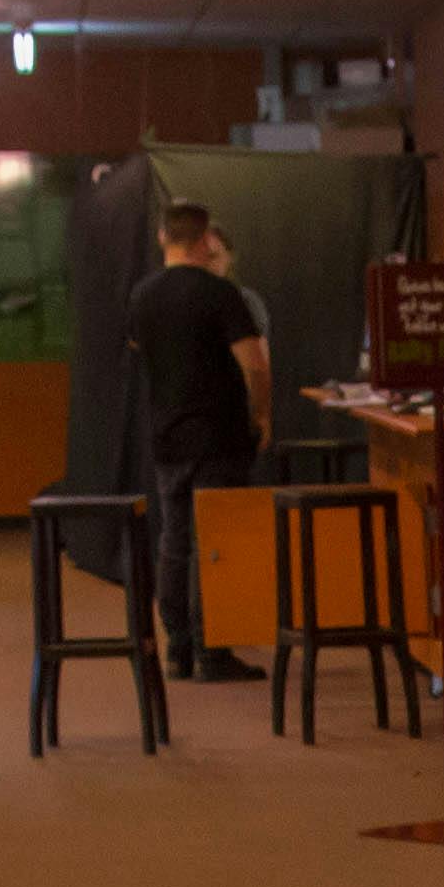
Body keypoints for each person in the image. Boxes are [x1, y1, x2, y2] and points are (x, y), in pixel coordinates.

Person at [125, 200, 266, 681]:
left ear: (163, 237)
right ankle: (214, 651)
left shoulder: (142, 296)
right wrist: (262, 413)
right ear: (206, 240)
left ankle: (178, 648)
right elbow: (254, 364)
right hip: (218, 436)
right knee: (215, 544)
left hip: (167, 435)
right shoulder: (220, 294)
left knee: (175, 541)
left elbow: (138, 350)